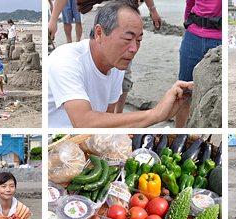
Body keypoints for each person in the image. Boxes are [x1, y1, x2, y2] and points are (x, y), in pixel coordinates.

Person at [48, 1, 193, 128]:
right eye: (127, 38)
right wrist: (155, 114)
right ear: (99, 33)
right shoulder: (66, 61)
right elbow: (82, 123)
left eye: (138, 41)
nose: (134, 49)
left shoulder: (116, 65)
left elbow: (109, 121)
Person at [176, 0, 222, 128]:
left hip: (220, 39)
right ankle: (177, 133)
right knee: (183, 92)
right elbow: (189, 4)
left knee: (218, 96)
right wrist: (184, 36)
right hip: (192, 37)